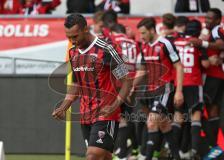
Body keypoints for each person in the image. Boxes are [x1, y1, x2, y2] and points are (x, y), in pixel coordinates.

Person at [52, 14, 132, 160]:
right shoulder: (73, 52)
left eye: (75, 36)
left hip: (106, 114)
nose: (72, 41)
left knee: (92, 156)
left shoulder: (106, 49)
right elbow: (77, 84)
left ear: (86, 29)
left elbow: (127, 81)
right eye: (68, 37)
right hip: (85, 115)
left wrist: (114, 106)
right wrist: (64, 106)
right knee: (105, 157)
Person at [134, 17, 184, 160]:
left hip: (165, 89)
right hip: (150, 90)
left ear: (151, 30)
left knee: (152, 122)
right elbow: (142, 70)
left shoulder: (165, 43)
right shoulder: (144, 46)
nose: (141, 36)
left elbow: (179, 66)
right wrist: (132, 85)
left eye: (143, 33)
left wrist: (179, 91)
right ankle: (176, 156)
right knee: (164, 125)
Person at [189, 8, 224, 159]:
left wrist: (202, 43)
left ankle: (213, 146)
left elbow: (221, 46)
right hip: (219, 75)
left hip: (212, 77)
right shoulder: (221, 31)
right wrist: (217, 59)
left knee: (196, 109)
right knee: (212, 112)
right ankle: (214, 148)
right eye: (206, 18)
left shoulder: (216, 31)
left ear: (218, 20)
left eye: (210, 18)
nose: (207, 21)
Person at [173, 19, 210, 160]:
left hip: (178, 83)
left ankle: (173, 151)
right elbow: (205, 64)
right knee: (196, 116)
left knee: (178, 117)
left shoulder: (176, 42)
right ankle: (194, 151)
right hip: (194, 83)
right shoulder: (198, 43)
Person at [110, 23, 140, 160]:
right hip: (134, 85)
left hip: (119, 85)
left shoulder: (113, 41)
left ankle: (121, 153)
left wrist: (124, 85)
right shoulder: (134, 43)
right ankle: (133, 150)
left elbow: (117, 63)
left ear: (113, 32)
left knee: (120, 118)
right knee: (128, 118)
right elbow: (141, 65)